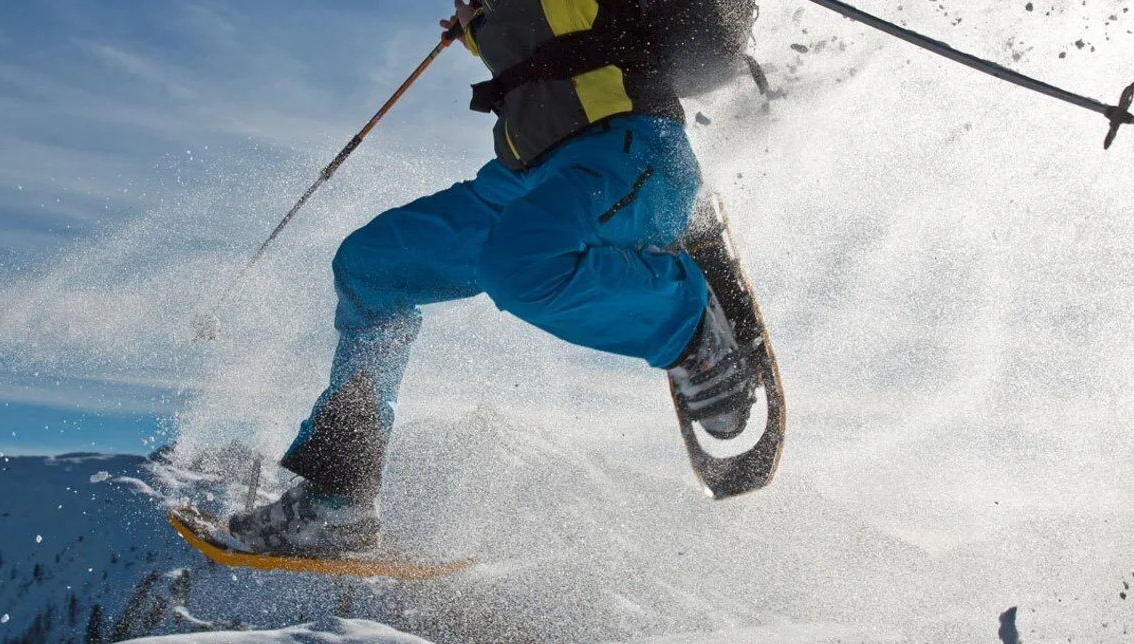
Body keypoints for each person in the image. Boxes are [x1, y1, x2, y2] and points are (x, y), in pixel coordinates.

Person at [227, 0, 759, 556]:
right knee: (373, 267)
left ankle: (691, 328)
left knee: (521, 268)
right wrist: (474, 30)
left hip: (630, 152)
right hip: (526, 181)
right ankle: (342, 495)